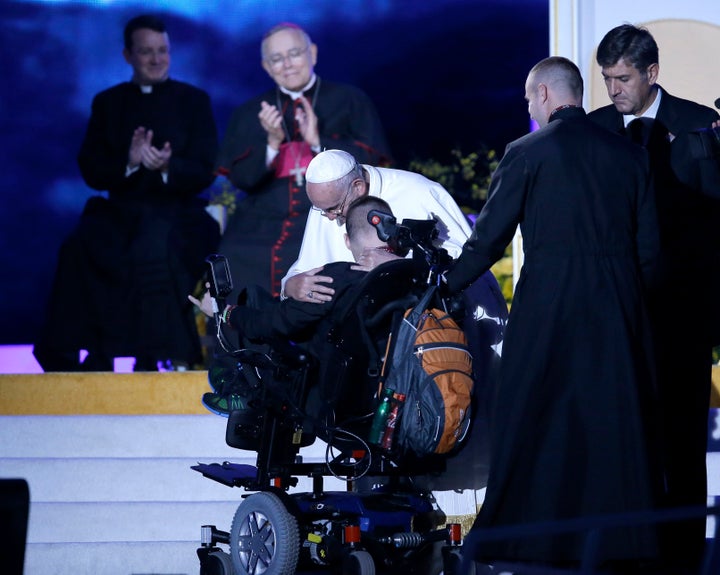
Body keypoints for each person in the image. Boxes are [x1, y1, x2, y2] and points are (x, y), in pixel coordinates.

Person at [445, 57, 664, 571]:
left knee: (538, 420)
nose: (528, 108)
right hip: (617, 306)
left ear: (544, 94)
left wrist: (440, 287)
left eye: (527, 99)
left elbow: (486, 244)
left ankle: (530, 543)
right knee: (613, 424)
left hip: (550, 304)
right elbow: (650, 249)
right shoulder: (630, 156)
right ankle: (623, 548)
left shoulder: (526, 153)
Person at [588, 24, 720, 572]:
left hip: (681, 315)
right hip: (615, 317)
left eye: (622, 79)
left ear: (652, 73)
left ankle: (686, 557)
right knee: (621, 439)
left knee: (683, 443)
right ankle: (626, 548)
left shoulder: (697, 126)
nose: (614, 89)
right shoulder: (593, 131)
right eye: (606, 79)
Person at [33, 14, 220, 372]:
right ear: (128, 55)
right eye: (146, 51)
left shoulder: (194, 101)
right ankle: (86, 354)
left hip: (178, 211)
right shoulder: (108, 103)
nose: (155, 59)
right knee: (78, 247)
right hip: (119, 210)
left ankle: (151, 356)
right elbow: (91, 169)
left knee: (152, 245)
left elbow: (205, 169)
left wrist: (167, 167)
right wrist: (129, 162)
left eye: (162, 51)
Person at [215, 22, 391, 297]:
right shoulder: (249, 112)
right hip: (262, 226)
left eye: (294, 53)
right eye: (276, 58)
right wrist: (272, 143)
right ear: (266, 66)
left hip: (330, 215)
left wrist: (317, 141)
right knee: (233, 255)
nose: (287, 64)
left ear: (313, 53)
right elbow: (242, 179)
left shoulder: (349, 99)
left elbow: (372, 165)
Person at [189, 195, 401, 415]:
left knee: (257, 303)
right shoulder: (417, 277)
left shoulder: (333, 279)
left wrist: (225, 313)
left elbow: (276, 323)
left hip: (330, 395)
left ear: (347, 240)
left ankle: (246, 394)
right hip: (390, 388)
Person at [281, 148, 474, 303]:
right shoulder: (328, 205)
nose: (330, 218)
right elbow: (308, 264)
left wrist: (399, 266)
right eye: (322, 210)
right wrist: (290, 285)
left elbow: (468, 260)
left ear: (358, 186)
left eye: (335, 209)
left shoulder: (419, 192)